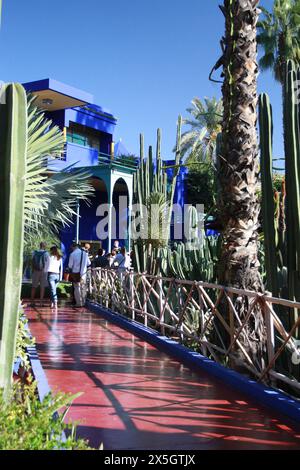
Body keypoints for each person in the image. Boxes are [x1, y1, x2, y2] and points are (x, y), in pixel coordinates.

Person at [68, 242, 91, 308]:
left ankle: (78, 303)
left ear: (73, 247)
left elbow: (70, 265)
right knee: (83, 287)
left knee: (76, 288)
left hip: (75, 274)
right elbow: (89, 263)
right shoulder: (85, 254)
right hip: (83, 273)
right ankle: (83, 302)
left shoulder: (72, 254)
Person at [31, 242, 49, 306]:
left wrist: (33, 270)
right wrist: (46, 271)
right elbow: (47, 263)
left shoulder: (34, 252)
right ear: (45, 246)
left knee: (34, 286)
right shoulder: (46, 253)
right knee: (42, 287)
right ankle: (41, 302)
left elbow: (32, 261)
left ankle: (32, 302)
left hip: (35, 271)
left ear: (40, 246)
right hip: (43, 271)